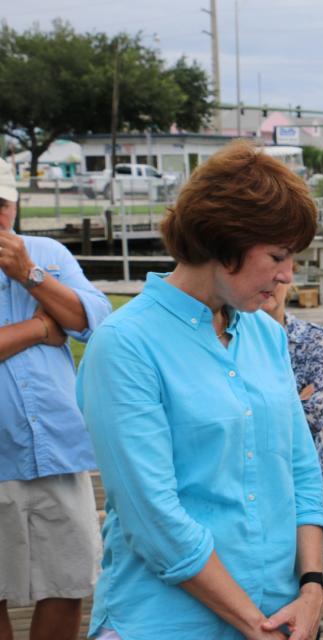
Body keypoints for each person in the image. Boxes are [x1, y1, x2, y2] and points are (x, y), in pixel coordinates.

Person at [77, 141, 323, 640]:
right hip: (166, 623)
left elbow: (303, 471)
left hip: (283, 617)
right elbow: (153, 520)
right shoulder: (125, 345)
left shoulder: (267, 334)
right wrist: (254, 624)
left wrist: (312, 589)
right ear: (223, 242)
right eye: (278, 256)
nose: (287, 276)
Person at [0, 158, 112, 640]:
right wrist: (39, 327)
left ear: (15, 204)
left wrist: (30, 275)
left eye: (0, 204)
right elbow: (66, 323)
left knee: (67, 586)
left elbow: (97, 325)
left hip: (58, 449)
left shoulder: (46, 252)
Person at [262, 281, 323, 517]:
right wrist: (296, 400)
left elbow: (317, 415)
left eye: (278, 278)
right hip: (255, 484)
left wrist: (261, 407)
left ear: (289, 282)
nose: (269, 284)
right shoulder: (230, 341)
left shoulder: (313, 337)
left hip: (306, 478)